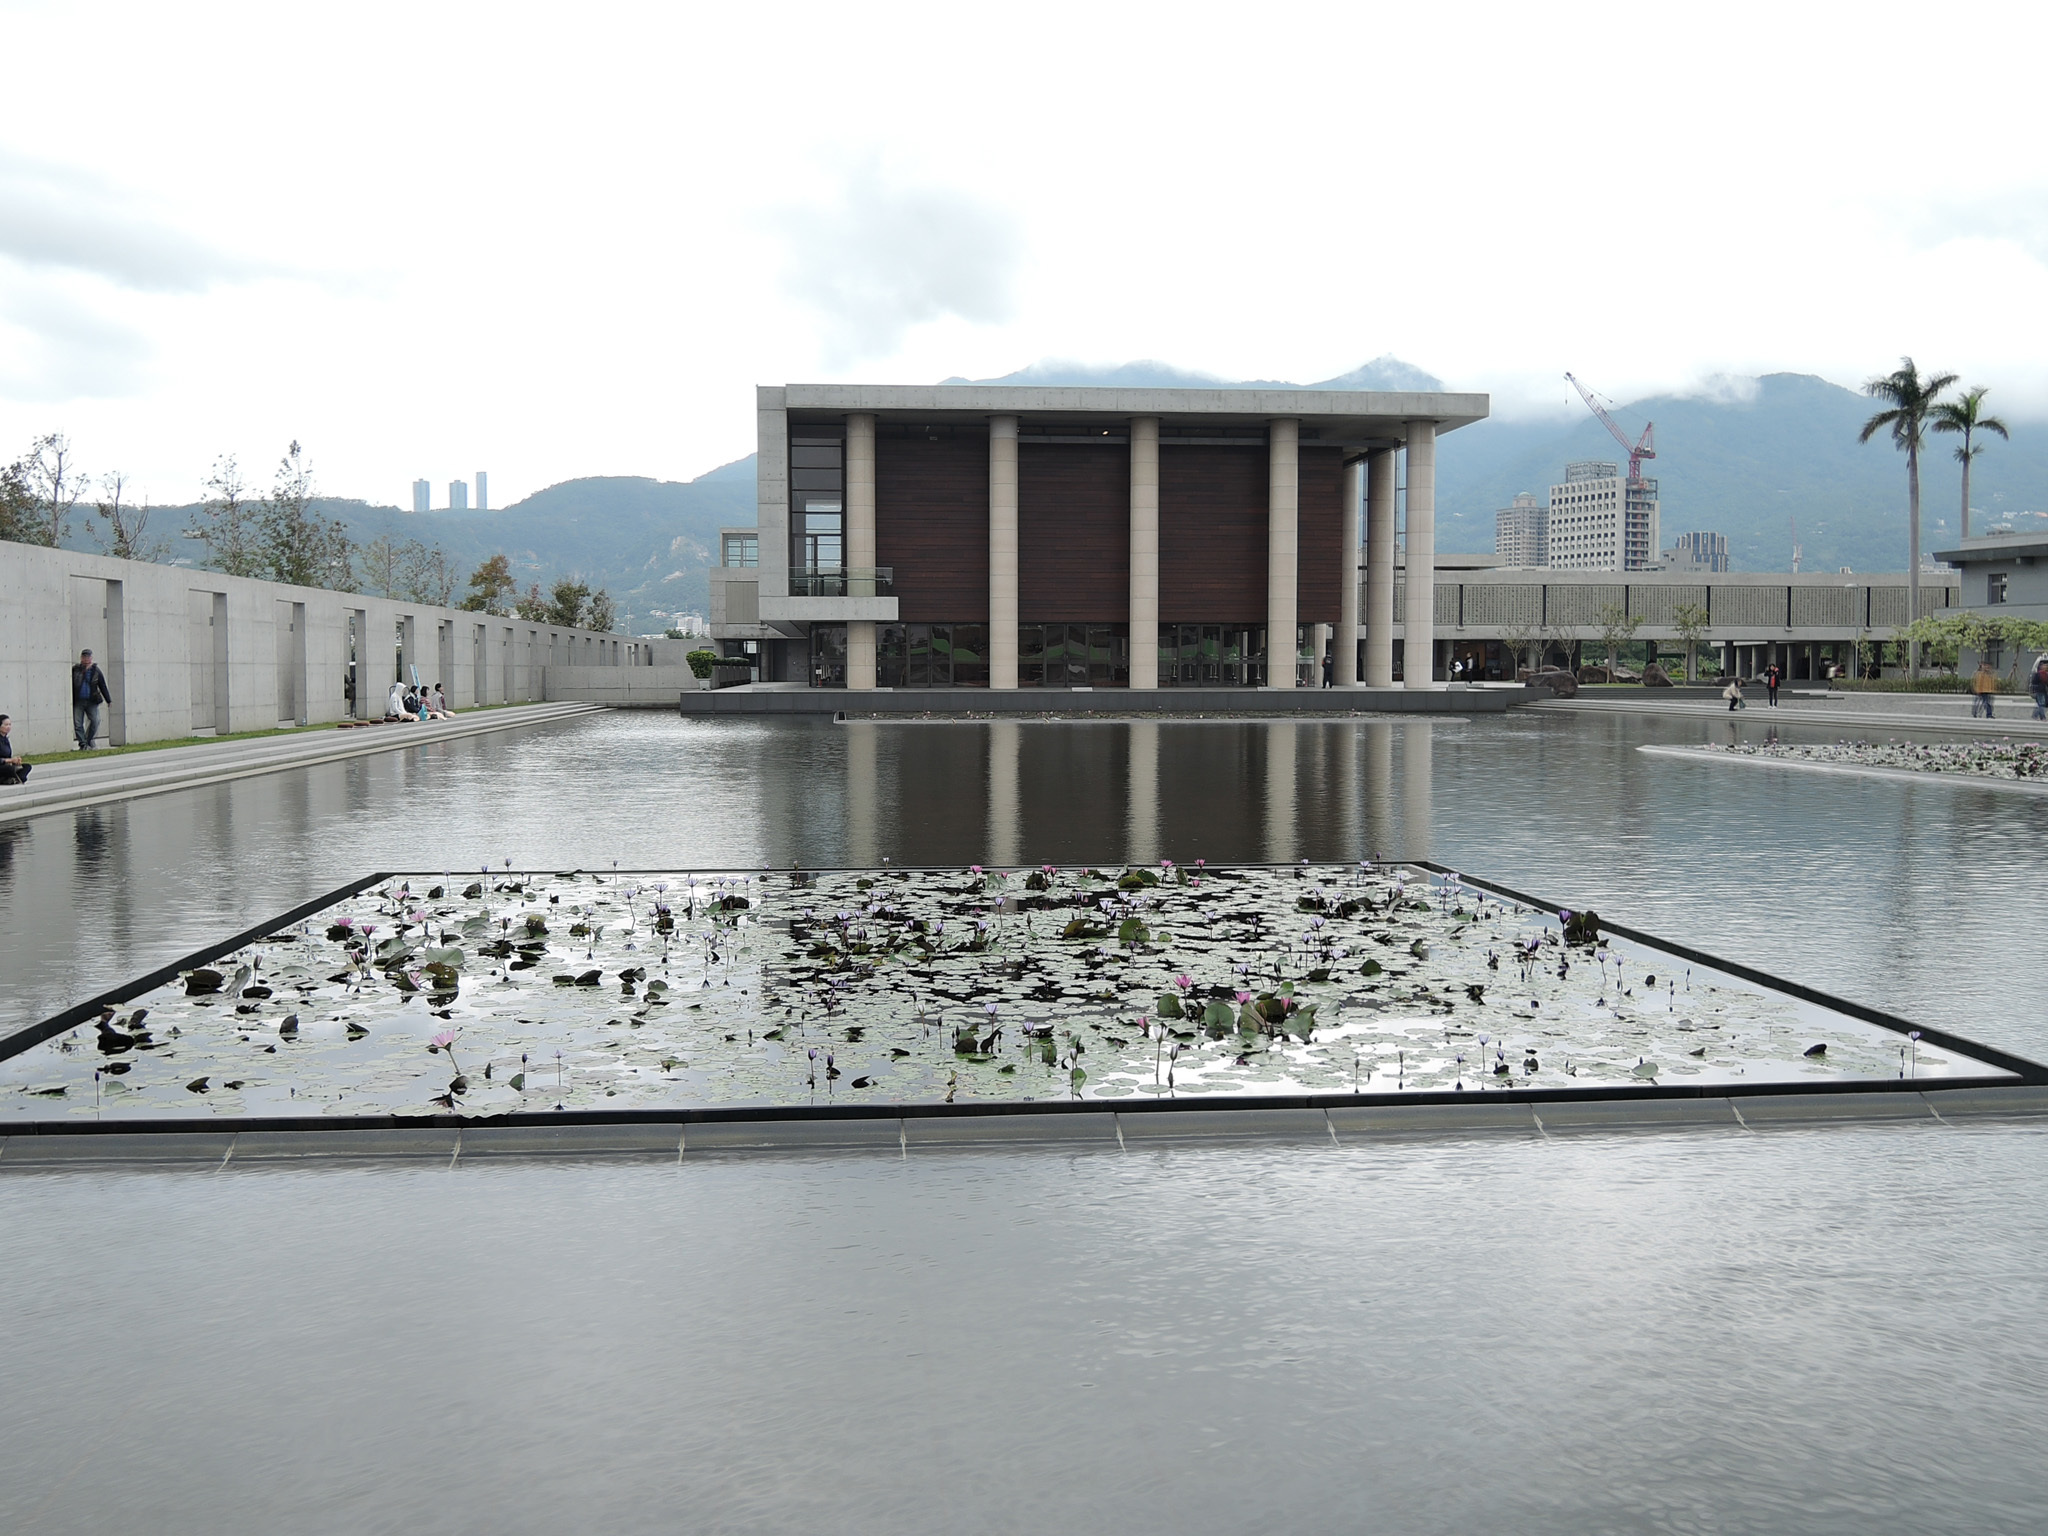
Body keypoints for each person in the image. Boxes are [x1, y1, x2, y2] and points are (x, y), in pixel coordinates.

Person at [70, 649, 111, 749]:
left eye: (88, 657)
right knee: (78, 723)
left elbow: (102, 685)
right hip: (78, 701)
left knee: (95, 721)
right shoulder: (75, 670)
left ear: (91, 658)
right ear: (81, 658)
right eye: (84, 657)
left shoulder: (96, 671)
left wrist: (108, 699)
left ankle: (88, 740)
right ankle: (83, 744)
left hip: (92, 701)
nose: (86, 659)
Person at [0, 714, 29, 785]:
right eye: (6, 725)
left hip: (6, 765)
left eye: (10, 724)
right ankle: (13, 778)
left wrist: (15, 761)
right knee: (10, 769)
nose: (8, 727)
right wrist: (10, 760)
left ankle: (12, 778)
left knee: (27, 766)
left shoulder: (5, 739)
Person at [2031, 657, 2048, 721]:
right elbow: (2034, 682)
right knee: (2041, 704)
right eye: (2045, 666)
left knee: (2041, 704)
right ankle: (2042, 717)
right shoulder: (2038, 674)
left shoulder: (2046, 674)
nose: (2046, 667)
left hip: (2044, 690)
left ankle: (2035, 715)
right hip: (2039, 690)